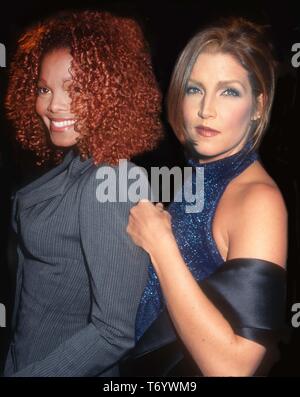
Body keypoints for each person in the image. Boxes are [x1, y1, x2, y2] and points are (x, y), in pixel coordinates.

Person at [122, 17, 288, 376]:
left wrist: (160, 243)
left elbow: (233, 368)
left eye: (229, 91)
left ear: (258, 106)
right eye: (195, 89)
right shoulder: (201, 174)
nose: (205, 109)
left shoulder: (258, 200)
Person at [3, 10, 163, 377]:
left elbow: (114, 332)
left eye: (75, 89)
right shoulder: (77, 161)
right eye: (45, 88)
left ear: (111, 92)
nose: (54, 105)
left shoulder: (111, 180)